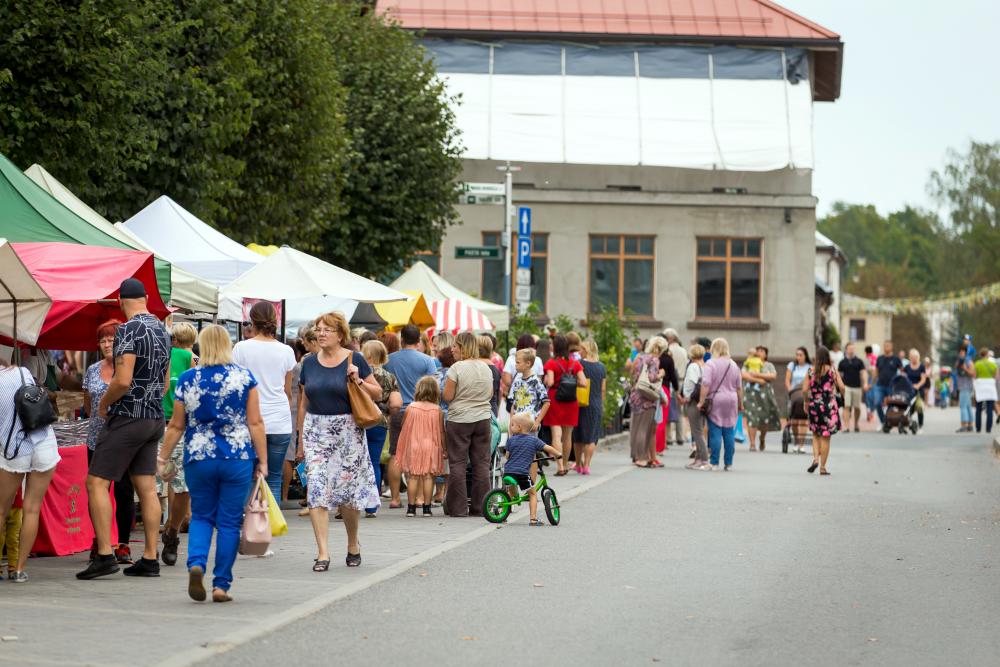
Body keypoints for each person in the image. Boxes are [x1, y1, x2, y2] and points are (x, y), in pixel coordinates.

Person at [156, 325, 267, 602]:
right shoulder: (244, 378)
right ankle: (221, 585)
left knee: (202, 516)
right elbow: (255, 422)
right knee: (229, 523)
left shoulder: (188, 379)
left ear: (202, 346)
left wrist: (163, 457)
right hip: (236, 457)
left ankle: (196, 563)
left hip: (198, 456)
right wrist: (262, 460)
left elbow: (176, 425)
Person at [77, 278, 170, 580]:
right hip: (154, 416)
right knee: (146, 487)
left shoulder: (128, 330)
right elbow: (166, 383)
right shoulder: (162, 330)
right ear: (144, 297)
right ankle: (150, 557)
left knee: (96, 483)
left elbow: (122, 379)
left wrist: (103, 405)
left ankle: (105, 554)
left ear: (120, 301)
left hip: (128, 416)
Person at [296, 312, 382, 572]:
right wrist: (300, 440)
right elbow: (303, 402)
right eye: (318, 329)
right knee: (317, 489)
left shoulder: (354, 359)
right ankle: (322, 552)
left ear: (340, 334)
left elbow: (378, 393)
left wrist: (358, 380)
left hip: (347, 432)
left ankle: (353, 543)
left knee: (347, 496)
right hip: (316, 431)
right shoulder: (308, 363)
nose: (320, 333)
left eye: (327, 330)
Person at [0, 353, 60, 583]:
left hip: (14, 450)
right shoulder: (22, 372)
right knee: (32, 509)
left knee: (1, 510)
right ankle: (19, 569)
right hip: (43, 443)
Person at [82, 319, 135, 564]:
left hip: (122, 436)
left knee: (123, 491)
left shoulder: (127, 368)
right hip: (96, 437)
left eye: (111, 339)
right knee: (96, 490)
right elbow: (87, 404)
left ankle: (122, 543)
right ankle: (100, 540)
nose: (106, 344)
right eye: (102, 340)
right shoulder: (92, 370)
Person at [233, 302, 296, 505]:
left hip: (249, 419)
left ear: (252, 321)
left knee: (248, 474)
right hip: (279, 419)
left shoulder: (241, 348)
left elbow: (237, 386)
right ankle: (269, 525)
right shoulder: (286, 350)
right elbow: (287, 392)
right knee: (274, 477)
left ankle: (247, 520)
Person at [384, 325, 438, 509]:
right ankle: (421, 498)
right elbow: (434, 387)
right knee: (421, 452)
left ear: (402, 340)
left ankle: (395, 498)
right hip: (421, 411)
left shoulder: (389, 360)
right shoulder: (427, 361)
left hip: (397, 410)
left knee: (395, 453)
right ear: (418, 341)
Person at [442, 332, 494, 517]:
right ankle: (480, 507)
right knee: (481, 463)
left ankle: (458, 508)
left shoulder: (456, 368)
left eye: (455, 345)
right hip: (482, 419)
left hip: (459, 419)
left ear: (463, 347)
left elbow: (447, 396)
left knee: (458, 463)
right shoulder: (486, 368)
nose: (452, 349)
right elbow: (489, 394)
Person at [158, 321, 197, 566]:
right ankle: (174, 525)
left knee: (154, 484)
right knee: (178, 482)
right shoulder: (191, 358)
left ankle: (162, 531)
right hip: (179, 424)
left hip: (156, 421)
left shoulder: (162, 353)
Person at [395, 376, 445, 517]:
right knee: (429, 477)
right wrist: (445, 448)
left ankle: (411, 509)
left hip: (414, 445)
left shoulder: (411, 407)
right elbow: (441, 431)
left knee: (413, 477)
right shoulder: (437, 410)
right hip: (431, 446)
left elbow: (404, 426)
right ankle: (427, 509)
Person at [361, 340, 401, 518]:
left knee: (356, 462)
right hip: (380, 422)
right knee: (374, 463)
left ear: (367, 355)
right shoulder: (389, 376)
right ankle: (371, 506)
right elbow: (396, 403)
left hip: (359, 420)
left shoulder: (360, 373)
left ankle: (349, 503)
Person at [504, 413, 561, 526]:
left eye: (512, 425)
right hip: (522, 474)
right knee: (533, 494)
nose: (510, 427)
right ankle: (533, 519)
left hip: (508, 472)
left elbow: (507, 456)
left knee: (510, 493)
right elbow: (547, 447)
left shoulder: (511, 440)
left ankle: (502, 513)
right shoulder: (533, 440)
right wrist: (557, 454)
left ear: (519, 427)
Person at [543, 335, 587, 475]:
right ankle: (567, 464)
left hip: (555, 399)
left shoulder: (551, 363)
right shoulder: (575, 363)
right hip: (571, 401)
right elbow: (584, 383)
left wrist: (546, 380)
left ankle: (560, 465)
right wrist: (571, 380)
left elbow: (549, 382)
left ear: (555, 347)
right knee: (567, 435)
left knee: (556, 434)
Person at [698, 338, 743, 471]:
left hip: (716, 399)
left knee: (715, 431)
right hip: (732, 399)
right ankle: (728, 463)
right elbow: (739, 387)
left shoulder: (710, 364)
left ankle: (714, 462)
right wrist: (741, 403)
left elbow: (706, 384)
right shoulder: (734, 365)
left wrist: (701, 401)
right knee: (729, 431)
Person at [288, 324, 317, 511]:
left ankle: (310, 496)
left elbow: (301, 395)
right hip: (309, 415)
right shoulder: (306, 362)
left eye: (305, 341)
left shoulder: (304, 363)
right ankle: (309, 495)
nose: (303, 344)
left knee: (306, 460)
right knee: (306, 460)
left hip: (313, 415)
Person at [804, 346, 844, 476]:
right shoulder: (832, 371)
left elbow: (804, 390)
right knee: (826, 436)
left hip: (814, 405)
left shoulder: (810, 371)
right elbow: (842, 387)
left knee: (816, 434)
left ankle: (815, 459)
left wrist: (806, 401)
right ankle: (822, 467)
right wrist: (841, 395)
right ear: (828, 356)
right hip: (828, 406)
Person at [573, 340, 606, 475]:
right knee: (592, 437)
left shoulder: (580, 364)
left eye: (581, 349)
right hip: (595, 404)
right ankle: (587, 465)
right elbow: (603, 389)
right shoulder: (601, 367)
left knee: (578, 436)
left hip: (580, 403)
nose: (579, 352)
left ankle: (579, 464)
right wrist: (601, 403)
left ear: (586, 350)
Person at [628, 339, 662, 468]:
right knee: (644, 429)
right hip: (646, 398)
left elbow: (632, 374)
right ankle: (642, 457)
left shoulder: (639, 357)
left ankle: (635, 455)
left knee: (635, 428)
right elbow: (652, 377)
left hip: (636, 395)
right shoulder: (654, 360)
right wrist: (661, 374)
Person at [742, 345, 782, 451]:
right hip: (750, 395)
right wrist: (759, 380)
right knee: (752, 418)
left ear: (766, 354)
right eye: (758, 350)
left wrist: (756, 374)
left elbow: (773, 376)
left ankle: (762, 438)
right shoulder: (749, 362)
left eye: (762, 351)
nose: (759, 352)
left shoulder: (769, 365)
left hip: (765, 396)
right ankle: (752, 444)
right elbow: (743, 375)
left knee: (764, 419)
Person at [681, 344, 709, 470]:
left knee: (697, 431)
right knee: (700, 429)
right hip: (704, 401)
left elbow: (692, 383)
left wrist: (687, 396)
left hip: (694, 401)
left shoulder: (693, 366)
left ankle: (703, 459)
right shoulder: (706, 366)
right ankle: (697, 459)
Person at [509, 348, 550, 430]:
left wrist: (537, 421)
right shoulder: (517, 381)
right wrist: (511, 422)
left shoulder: (536, 381)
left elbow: (547, 403)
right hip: (517, 425)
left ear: (528, 363)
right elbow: (514, 404)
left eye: (518, 362)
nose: (515, 365)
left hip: (530, 425)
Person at [662, 328, 690, 446]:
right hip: (682, 381)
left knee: (667, 409)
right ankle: (680, 436)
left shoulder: (668, 351)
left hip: (671, 382)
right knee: (679, 411)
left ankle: (668, 437)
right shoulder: (684, 351)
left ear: (670, 338)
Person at [501, 335, 543, 409]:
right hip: (533, 397)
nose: (516, 364)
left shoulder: (511, 359)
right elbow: (540, 378)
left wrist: (519, 385)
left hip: (516, 396)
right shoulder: (538, 360)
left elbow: (507, 380)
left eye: (518, 363)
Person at [837, 342, 869, 433]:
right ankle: (846, 426)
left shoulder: (859, 361)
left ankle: (856, 424)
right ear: (846, 350)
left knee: (857, 407)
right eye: (849, 348)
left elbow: (863, 373)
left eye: (853, 348)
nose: (851, 350)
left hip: (857, 387)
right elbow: (839, 375)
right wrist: (837, 386)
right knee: (846, 406)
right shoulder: (842, 362)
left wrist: (866, 383)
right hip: (846, 387)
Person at [785, 347, 812, 454]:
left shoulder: (810, 367)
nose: (798, 357)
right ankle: (796, 442)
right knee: (795, 420)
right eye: (797, 355)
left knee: (803, 420)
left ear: (805, 356)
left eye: (801, 355)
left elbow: (812, 381)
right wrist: (790, 391)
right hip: (794, 393)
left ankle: (801, 444)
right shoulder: (792, 366)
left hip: (805, 393)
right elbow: (787, 380)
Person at [872, 340, 903, 424]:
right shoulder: (880, 358)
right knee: (877, 403)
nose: (886, 347)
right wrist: (871, 383)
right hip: (880, 385)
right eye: (885, 345)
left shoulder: (896, 359)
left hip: (891, 386)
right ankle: (884, 422)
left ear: (891, 347)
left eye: (888, 345)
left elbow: (902, 372)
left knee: (891, 404)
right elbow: (876, 371)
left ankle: (888, 421)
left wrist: (901, 382)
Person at [972, 349, 998, 434]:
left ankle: (978, 428)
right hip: (990, 386)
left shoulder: (977, 364)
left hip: (980, 386)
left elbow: (974, 375)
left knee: (978, 408)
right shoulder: (993, 364)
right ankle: (988, 428)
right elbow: (997, 377)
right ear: (987, 355)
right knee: (990, 408)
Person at [904, 349, 929, 432]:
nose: (913, 358)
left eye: (915, 357)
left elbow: (923, 379)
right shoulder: (907, 367)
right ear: (910, 357)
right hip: (909, 389)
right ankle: (907, 422)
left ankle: (920, 425)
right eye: (912, 357)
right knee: (909, 407)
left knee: (919, 407)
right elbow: (904, 377)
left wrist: (917, 385)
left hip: (918, 390)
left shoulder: (921, 367)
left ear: (918, 357)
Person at [477, 335, 502, 416]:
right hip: (492, 408)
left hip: (481, 411)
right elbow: (499, 391)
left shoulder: (478, 366)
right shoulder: (494, 368)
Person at [955, 342, 975, 433]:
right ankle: (970, 425)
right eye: (960, 352)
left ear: (966, 352)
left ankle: (964, 425)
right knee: (967, 406)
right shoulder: (959, 360)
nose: (961, 353)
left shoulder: (969, 361)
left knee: (963, 406)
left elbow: (973, 374)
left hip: (966, 386)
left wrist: (965, 368)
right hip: (962, 385)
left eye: (963, 351)